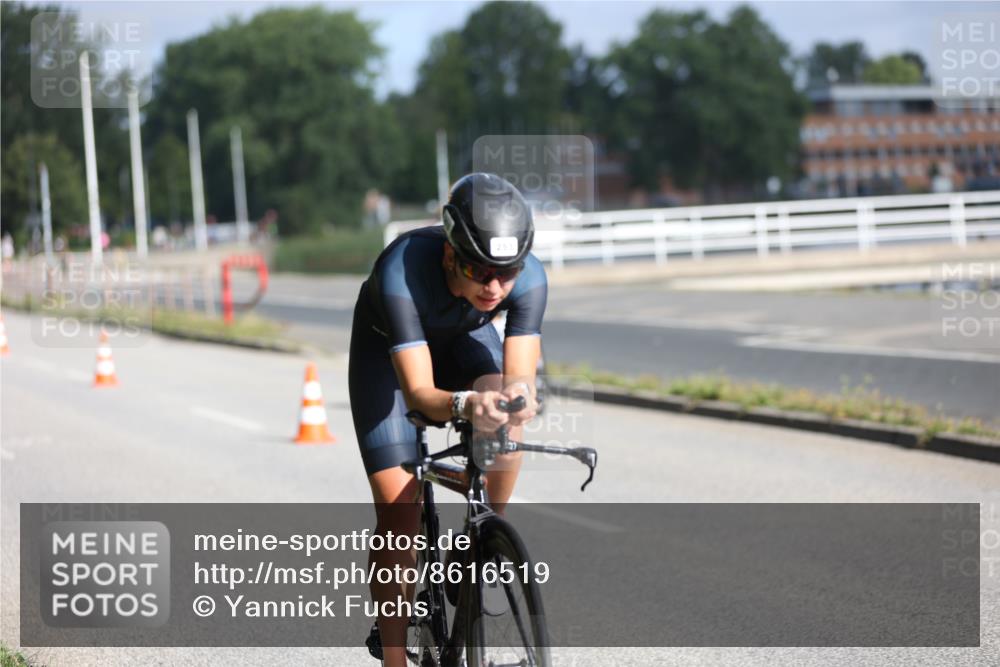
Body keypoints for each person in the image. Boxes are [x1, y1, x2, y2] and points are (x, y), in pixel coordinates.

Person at [348, 173, 547, 665]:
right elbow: (419, 394)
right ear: (449, 254)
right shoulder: (402, 268)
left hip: (459, 340)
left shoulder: (531, 279)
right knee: (399, 513)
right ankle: (395, 656)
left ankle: (485, 540)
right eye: (480, 272)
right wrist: (463, 405)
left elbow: (520, 379)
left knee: (505, 408)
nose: (496, 287)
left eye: (508, 272)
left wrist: (515, 398)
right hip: (388, 357)